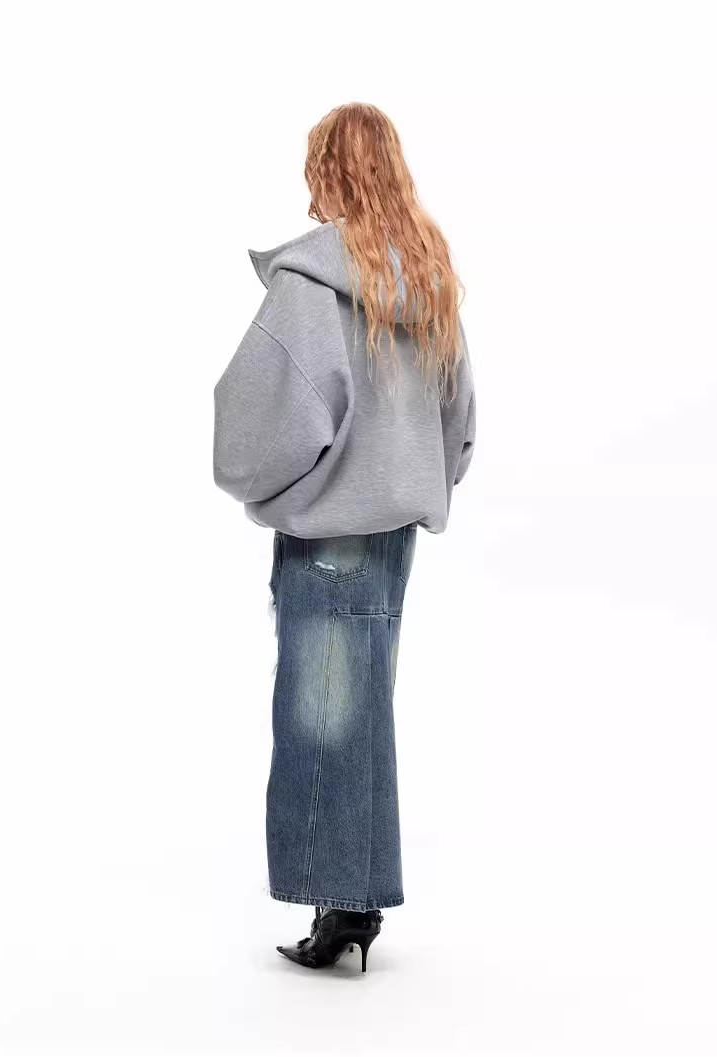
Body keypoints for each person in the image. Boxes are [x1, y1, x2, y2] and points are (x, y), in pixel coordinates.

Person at [212, 102, 476, 973]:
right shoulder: (429, 278)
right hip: (395, 536)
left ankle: (344, 911)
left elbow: (255, 426)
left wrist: (280, 491)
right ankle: (353, 901)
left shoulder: (312, 285)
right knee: (359, 714)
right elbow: (460, 422)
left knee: (325, 720)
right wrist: (409, 478)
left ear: (326, 171)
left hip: (332, 539)